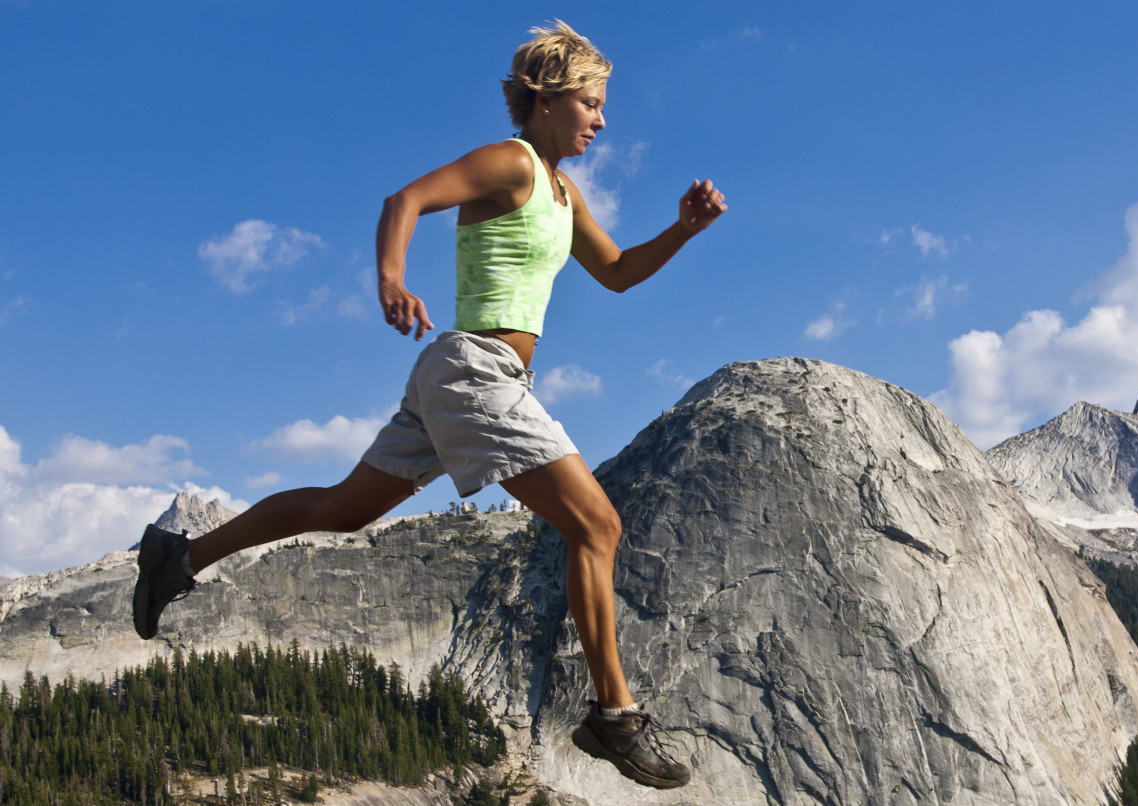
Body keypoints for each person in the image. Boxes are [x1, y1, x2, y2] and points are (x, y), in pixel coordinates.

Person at [131, 21, 724, 790]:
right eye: (591, 102)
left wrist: (681, 230)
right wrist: (390, 277)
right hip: (476, 373)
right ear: (545, 100)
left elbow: (614, 272)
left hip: (466, 378)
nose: (601, 119)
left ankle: (178, 557)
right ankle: (614, 715)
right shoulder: (509, 162)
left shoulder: (560, 189)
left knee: (344, 508)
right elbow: (405, 198)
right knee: (597, 524)